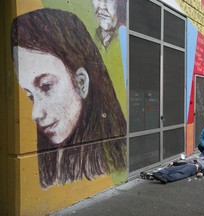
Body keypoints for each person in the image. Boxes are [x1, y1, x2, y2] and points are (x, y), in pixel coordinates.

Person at [11, 8, 127, 189]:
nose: (35, 113)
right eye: (30, 96)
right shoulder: (54, 161)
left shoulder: (111, 157)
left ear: (81, 83)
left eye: (46, 86)